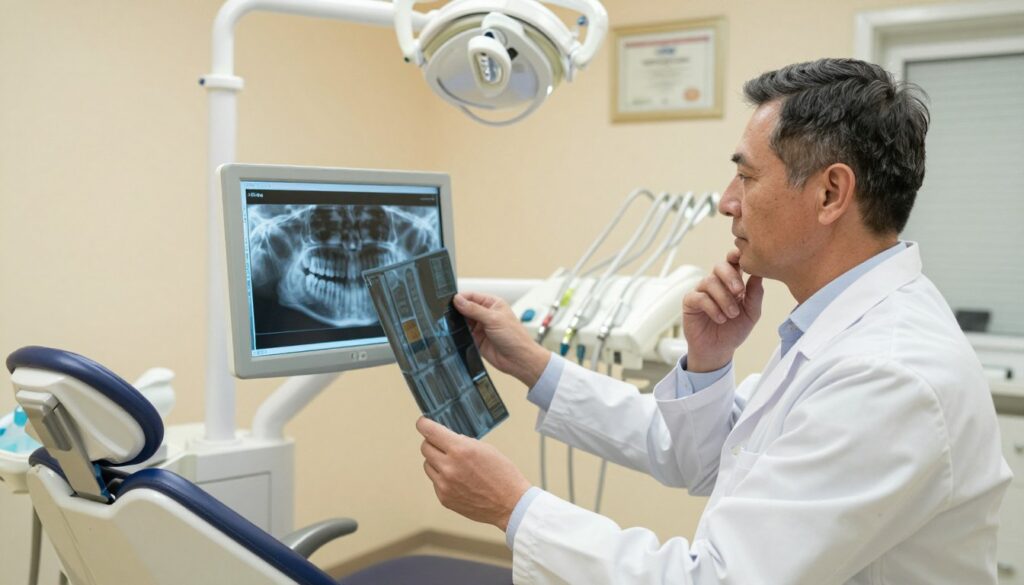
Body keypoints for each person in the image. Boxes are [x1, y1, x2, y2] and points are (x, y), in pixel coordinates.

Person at [415, 58, 1013, 584]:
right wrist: (538, 366)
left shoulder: (889, 374)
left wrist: (513, 507)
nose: (727, 200)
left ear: (831, 194)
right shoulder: (841, 330)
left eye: (747, 176)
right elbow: (707, 457)